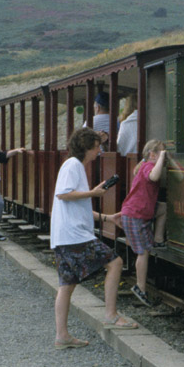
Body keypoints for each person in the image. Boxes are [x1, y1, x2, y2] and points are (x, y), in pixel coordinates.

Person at [51, 127, 136, 350]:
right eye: (97, 146)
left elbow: (74, 205)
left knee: (66, 285)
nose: (100, 150)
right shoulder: (73, 166)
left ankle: (62, 336)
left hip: (64, 236)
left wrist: (107, 218)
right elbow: (63, 194)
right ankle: (111, 314)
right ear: (87, 147)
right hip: (74, 235)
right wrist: (94, 193)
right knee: (115, 262)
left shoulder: (72, 166)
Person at [119, 139, 167, 307]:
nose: (164, 156)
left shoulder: (144, 164)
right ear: (153, 154)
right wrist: (161, 158)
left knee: (163, 209)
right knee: (143, 252)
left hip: (142, 213)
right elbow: (154, 176)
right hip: (136, 214)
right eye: (161, 153)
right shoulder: (148, 167)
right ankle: (140, 287)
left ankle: (159, 239)